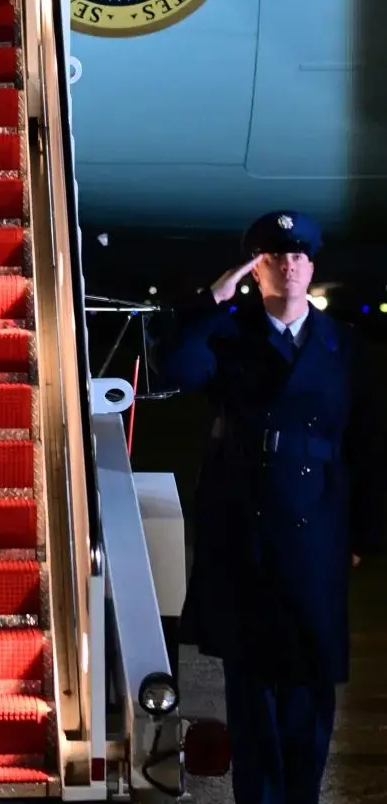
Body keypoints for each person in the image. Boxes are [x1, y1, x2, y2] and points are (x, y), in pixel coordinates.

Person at [149, 211, 385, 804]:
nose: (290, 266)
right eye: (276, 258)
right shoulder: (229, 335)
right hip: (245, 525)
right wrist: (211, 301)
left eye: (300, 256)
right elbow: (172, 366)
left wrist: (364, 533)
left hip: (318, 525)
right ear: (256, 271)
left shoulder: (343, 345)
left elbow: (368, 443)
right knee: (252, 687)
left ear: (312, 265)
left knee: (310, 681)